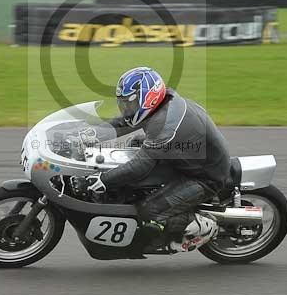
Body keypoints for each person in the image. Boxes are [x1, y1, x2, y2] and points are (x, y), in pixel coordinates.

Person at [74, 67, 232, 252]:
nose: (126, 108)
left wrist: (102, 180)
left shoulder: (163, 126)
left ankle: (204, 226)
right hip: (185, 158)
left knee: (150, 210)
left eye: (130, 103)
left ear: (147, 98)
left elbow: (140, 166)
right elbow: (122, 123)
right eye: (123, 103)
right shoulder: (162, 103)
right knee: (133, 150)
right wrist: (92, 134)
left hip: (205, 176)